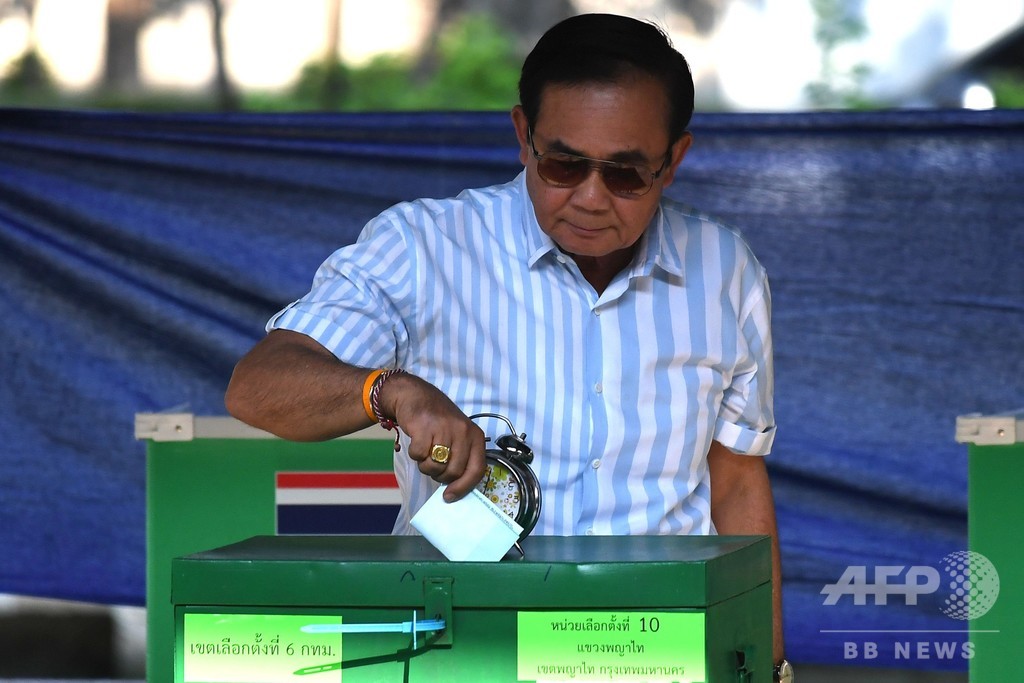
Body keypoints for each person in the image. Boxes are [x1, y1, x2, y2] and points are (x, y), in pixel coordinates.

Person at [226, 13, 790, 679]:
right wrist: (390, 391)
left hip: (658, 650)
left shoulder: (725, 272)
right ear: (522, 135)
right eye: (563, 163)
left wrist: (768, 663)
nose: (589, 196)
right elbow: (257, 388)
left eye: (626, 174)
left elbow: (736, 479)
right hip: (468, 647)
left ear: (675, 159)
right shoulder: (423, 247)